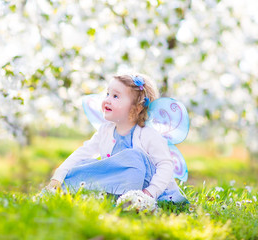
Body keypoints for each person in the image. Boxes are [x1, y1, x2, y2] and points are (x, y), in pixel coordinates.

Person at [47, 74, 187, 202]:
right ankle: (62, 189)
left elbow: (165, 165)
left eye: (115, 96)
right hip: (118, 184)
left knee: (134, 156)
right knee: (84, 163)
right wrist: (58, 176)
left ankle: (133, 199)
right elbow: (82, 153)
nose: (107, 100)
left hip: (146, 189)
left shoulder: (148, 134)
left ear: (137, 108)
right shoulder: (105, 130)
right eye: (107, 94)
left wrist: (150, 193)